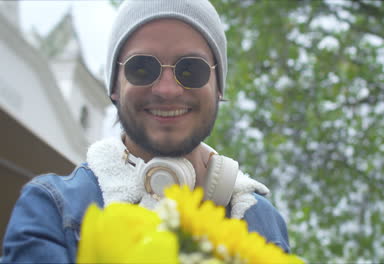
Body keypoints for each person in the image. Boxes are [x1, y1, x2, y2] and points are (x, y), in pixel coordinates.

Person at [2, 0, 290, 262]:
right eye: (142, 68)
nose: (167, 90)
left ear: (219, 88)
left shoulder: (262, 223)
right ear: (114, 87)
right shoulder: (51, 209)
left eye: (191, 69)